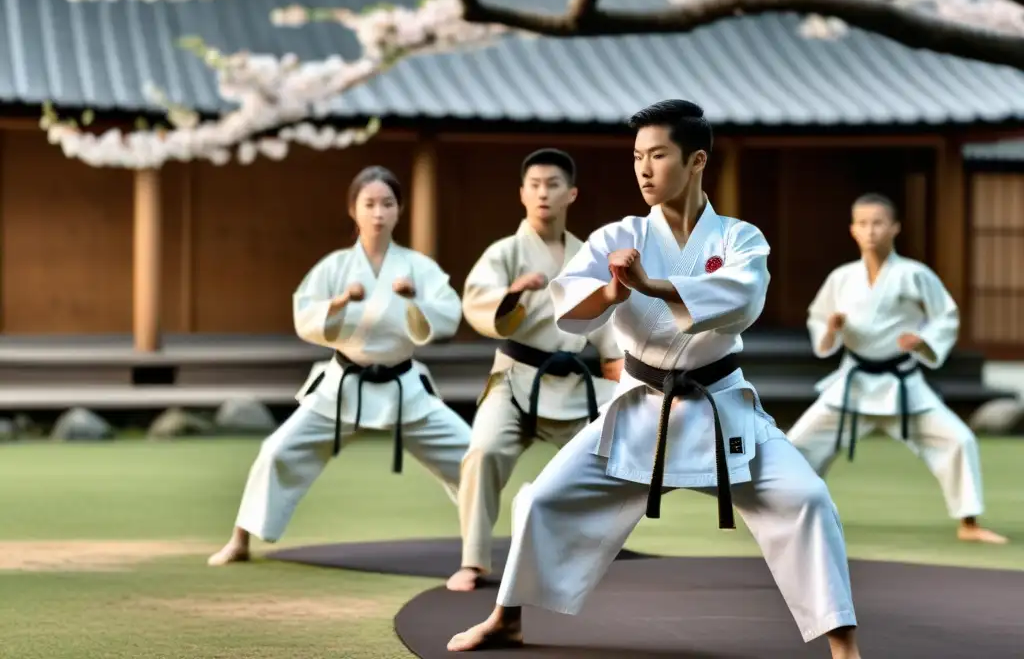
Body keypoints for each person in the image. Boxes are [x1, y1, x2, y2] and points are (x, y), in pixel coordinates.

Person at [447, 99, 861, 658]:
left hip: (720, 407)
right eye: (637, 156)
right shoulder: (617, 236)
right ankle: (505, 618)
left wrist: (653, 285)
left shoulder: (740, 239)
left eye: (657, 155)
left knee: (808, 498)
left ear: (695, 161)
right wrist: (615, 291)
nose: (643, 169)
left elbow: (742, 301)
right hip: (640, 407)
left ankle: (843, 647)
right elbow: (570, 305)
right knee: (542, 499)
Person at [208, 165, 471, 566]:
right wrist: (339, 302)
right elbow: (305, 314)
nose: (378, 213)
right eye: (369, 204)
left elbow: (449, 314)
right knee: (277, 451)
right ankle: (240, 539)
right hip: (344, 384)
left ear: (400, 210)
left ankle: (476, 549)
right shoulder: (334, 267)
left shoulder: (419, 267)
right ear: (354, 210)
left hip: (404, 386)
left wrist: (415, 297)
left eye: (387, 203)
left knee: (471, 455)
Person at [447, 149, 624, 592]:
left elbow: (610, 332)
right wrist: (512, 293)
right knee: (482, 453)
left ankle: (590, 549)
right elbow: (479, 302)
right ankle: (472, 561)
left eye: (553, 185)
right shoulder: (505, 252)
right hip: (514, 380)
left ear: (572, 194)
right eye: (535, 185)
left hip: (574, 385)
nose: (543, 193)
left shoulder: (589, 256)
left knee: (618, 452)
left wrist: (620, 377)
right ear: (522, 194)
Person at [787, 192, 1007, 545]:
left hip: (902, 384)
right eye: (862, 224)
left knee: (959, 439)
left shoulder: (914, 275)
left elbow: (945, 317)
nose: (870, 231)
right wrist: (832, 329)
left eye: (878, 223)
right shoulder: (842, 278)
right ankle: (786, 515)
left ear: (895, 228)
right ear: (852, 231)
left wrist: (922, 342)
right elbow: (818, 321)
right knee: (795, 446)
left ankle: (969, 523)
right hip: (852, 384)